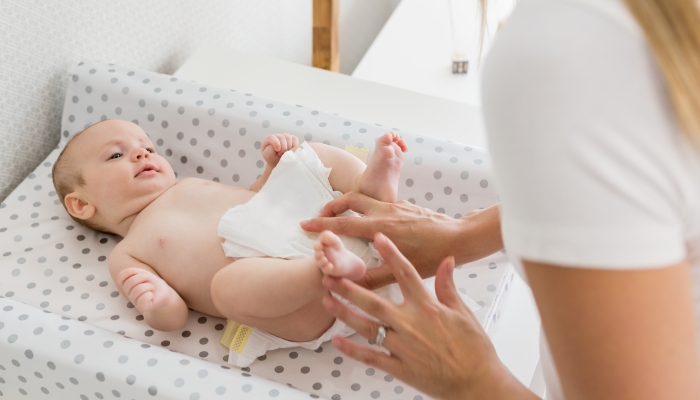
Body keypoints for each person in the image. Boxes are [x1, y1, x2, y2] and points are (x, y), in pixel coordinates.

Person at [300, 0, 700, 398]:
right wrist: (471, 232)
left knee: (257, 284)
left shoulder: (560, 61)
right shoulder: (599, 51)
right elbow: (635, 188)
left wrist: (475, 383)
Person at [51, 118, 409, 366]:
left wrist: (274, 168)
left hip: (318, 227)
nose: (143, 154)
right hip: (295, 300)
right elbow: (173, 316)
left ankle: (371, 193)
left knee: (308, 154)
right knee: (226, 289)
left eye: (147, 147)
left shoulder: (189, 185)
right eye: (116, 154)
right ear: (82, 204)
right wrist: (156, 304)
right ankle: (322, 273)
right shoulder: (126, 253)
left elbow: (258, 198)